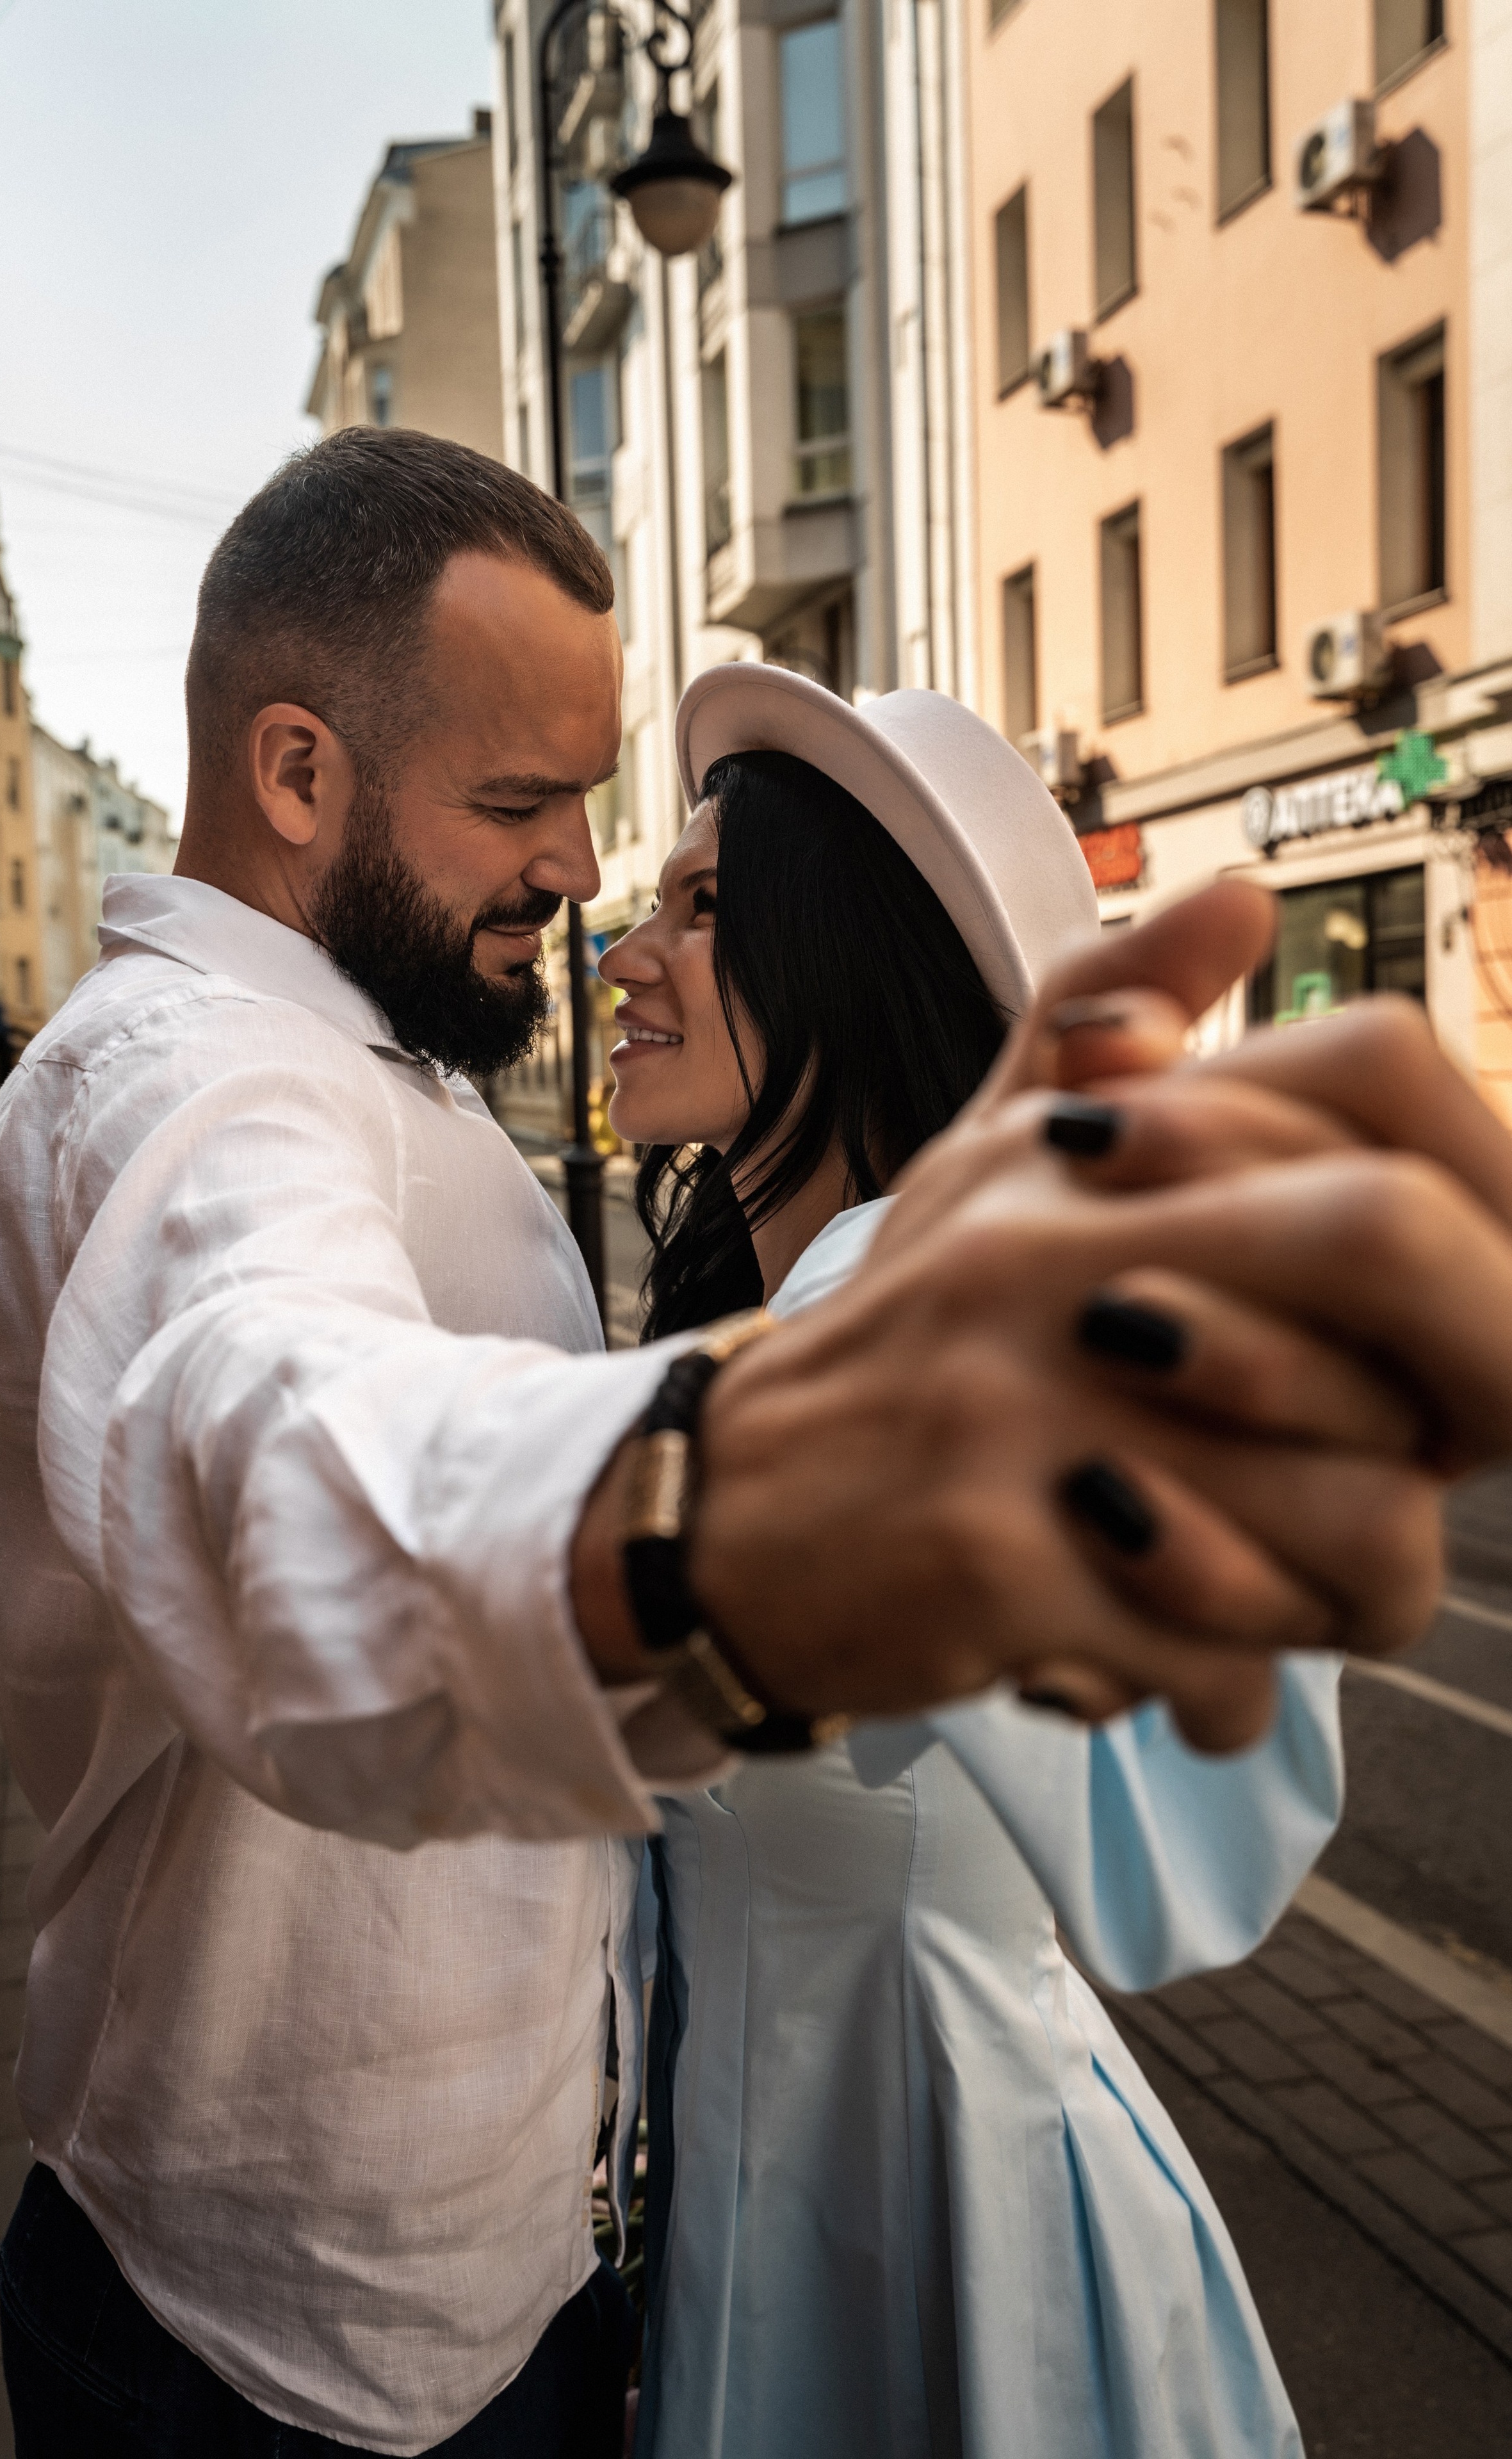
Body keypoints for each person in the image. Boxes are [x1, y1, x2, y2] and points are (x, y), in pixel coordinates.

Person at [0, 429, 1512, 2459]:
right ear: (297, 773)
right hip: (308, 2354)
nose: (589, 890)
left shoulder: (421, 1090)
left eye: (656, 859)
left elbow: (1189, 1827)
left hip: (795, 2246)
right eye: (525, 803)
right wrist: (730, 1504)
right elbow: (271, 1435)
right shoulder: (190, 1088)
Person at [600, 665, 1370, 2455]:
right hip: (766, 2222)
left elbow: (1217, 1825)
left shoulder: (954, 1323)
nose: (628, 951)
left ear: (854, 964)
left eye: (704, 908)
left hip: (969, 2239)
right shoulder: (776, 1313)